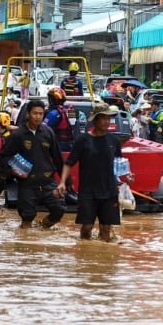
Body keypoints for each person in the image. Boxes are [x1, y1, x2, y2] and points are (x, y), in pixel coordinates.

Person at [57, 103, 133, 242]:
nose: (106, 121)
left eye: (108, 118)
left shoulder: (114, 141)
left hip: (109, 191)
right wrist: (62, 182)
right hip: (88, 191)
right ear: (95, 120)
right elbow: (69, 163)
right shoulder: (83, 140)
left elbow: (119, 163)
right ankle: (84, 251)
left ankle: (103, 259)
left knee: (105, 229)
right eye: (102, 118)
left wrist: (127, 175)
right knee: (87, 226)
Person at [0, 99, 66, 229]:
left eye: (41, 114)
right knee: (27, 217)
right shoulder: (18, 135)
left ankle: (43, 229)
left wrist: (65, 183)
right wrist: (12, 171)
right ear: (28, 114)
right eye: (35, 113)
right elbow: (4, 157)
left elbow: (58, 159)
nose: (38, 117)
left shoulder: (48, 132)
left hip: (48, 182)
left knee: (59, 209)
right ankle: (26, 241)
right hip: (27, 184)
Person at [43, 87, 75, 152]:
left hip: (57, 145)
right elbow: (73, 125)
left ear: (52, 100)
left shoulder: (54, 113)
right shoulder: (70, 110)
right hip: (69, 144)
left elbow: (42, 129)